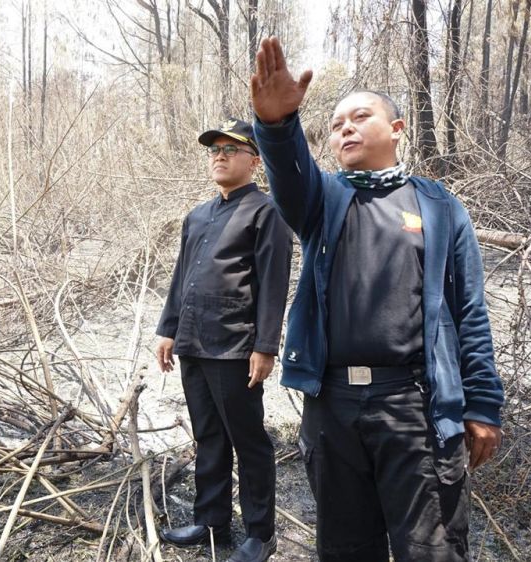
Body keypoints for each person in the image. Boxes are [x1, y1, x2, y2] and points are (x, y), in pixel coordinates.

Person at [249, 37, 505, 562]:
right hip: (333, 407)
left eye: (359, 116)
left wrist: (481, 403)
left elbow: (470, 312)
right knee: (345, 548)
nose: (345, 127)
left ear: (396, 128)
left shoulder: (437, 206)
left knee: (430, 548)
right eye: (337, 122)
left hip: (414, 403)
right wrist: (276, 128)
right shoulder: (325, 200)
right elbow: (289, 179)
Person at [155, 118, 292, 562]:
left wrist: (266, 346)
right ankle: (211, 521)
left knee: (248, 440)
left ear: (254, 160)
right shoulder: (197, 215)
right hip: (194, 343)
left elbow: (274, 282)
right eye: (214, 149)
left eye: (230, 149)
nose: (219, 155)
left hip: (236, 347)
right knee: (208, 435)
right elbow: (182, 279)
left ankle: (259, 534)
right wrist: (167, 329)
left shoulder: (265, 212)